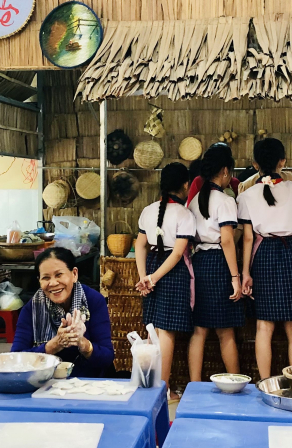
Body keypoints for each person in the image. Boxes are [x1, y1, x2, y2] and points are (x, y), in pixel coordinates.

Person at [238, 138, 292, 379]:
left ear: (255, 164)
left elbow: (248, 238)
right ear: (283, 161)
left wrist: (245, 273)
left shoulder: (247, 196)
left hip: (263, 255)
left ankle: (265, 382)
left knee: (264, 326)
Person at [135, 162, 195, 392]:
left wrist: (145, 276)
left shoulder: (148, 210)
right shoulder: (184, 213)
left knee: (154, 328)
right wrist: (152, 278)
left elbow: (140, 245)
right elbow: (178, 253)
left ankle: (150, 385)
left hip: (152, 264)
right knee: (166, 329)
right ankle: (164, 388)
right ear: (185, 185)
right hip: (172, 270)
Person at [11, 247, 114, 377]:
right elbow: (16, 359)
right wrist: (55, 344)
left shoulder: (94, 301)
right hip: (45, 381)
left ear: (74, 274)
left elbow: (107, 357)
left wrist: (82, 343)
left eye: (59, 275)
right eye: (46, 278)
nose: (53, 283)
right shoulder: (32, 308)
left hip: (89, 381)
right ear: (39, 281)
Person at [188, 144, 243, 381]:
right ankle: (235, 382)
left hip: (199, 262)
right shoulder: (225, 200)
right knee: (225, 332)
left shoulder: (194, 201)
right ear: (225, 171)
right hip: (219, 263)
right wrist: (235, 277)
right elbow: (227, 241)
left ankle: (194, 384)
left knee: (199, 331)